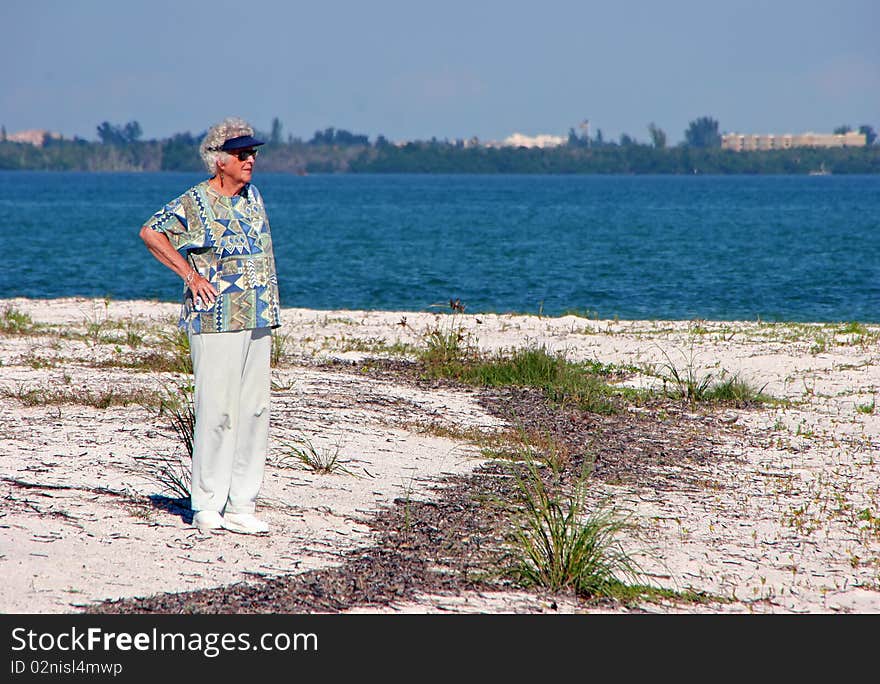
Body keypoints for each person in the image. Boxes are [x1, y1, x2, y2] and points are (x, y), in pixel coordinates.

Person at [139, 117, 281, 535]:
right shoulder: (197, 202)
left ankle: (242, 503)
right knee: (216, 410)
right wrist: (190, 275)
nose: (250, 159)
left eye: (252, 152)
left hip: (258, 315)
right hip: (215, 317)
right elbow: (152, 232)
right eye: (241, 154)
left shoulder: (254, 196)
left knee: (253, 409)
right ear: (219, 161)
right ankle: (206, 504)